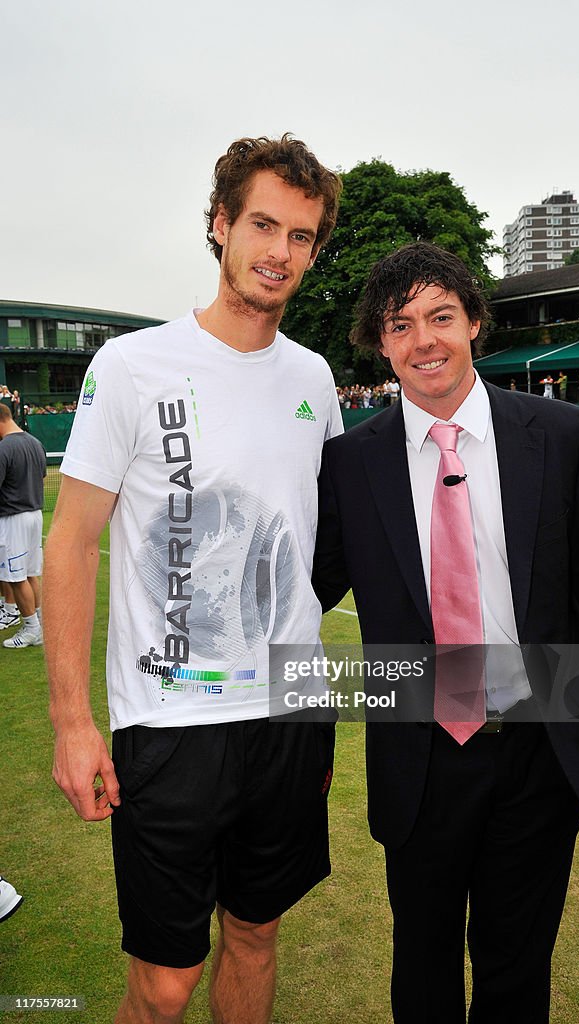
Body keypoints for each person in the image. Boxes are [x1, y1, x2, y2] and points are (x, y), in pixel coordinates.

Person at [44, 135, 343, 1024]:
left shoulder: (315, 379)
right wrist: (71, 720)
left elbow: (322, 546)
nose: (279, 251)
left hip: (288, 718)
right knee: (166, 978)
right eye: (261, 224)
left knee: (255, 935)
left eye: (301, 235)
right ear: (220, 226)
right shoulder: (132, 367)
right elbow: (71, 543)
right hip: (170, 724)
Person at [312, 242, 579, 1024]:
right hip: (419, 759)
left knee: (516, 965)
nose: (423, 340)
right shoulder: (348, 465)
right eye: (400, 325)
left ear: (473, 324)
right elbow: (301, 595)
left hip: (537, 757)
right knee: (421, 968)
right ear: (380, 343)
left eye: (440, 317)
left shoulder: (562, 436)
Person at [0, 403, 46, 648]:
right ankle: (36, 623)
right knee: (29, 574)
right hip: (35, 515)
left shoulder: (4, 447)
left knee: (16, 577)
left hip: (13, 518)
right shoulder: (35, 442)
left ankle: (31, 628)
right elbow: (41, 477)